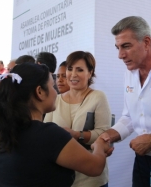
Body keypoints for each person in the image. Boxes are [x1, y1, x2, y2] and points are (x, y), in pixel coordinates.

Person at [0, 63, 112, 187]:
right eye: (52, 86)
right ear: (40, 91)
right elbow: (95, 167)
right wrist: (99, 146)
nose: (55, 91)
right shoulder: (49, 135)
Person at [97, 16, 151, 187]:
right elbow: (129, 117)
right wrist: (107, 136)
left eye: (126, 46)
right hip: (142, 161)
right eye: (118, 48)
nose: (120, 55)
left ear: (147, 42)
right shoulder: (130, 72)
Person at [44, 51, 111, 187]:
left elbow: (104, 133)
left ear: (90, 73)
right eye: (70, 69)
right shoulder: (56, 99)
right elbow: (45, 133)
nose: (73, 74)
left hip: (91, 178)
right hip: (60, 177)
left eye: (79, 70)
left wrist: (77, 135)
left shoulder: (98, 97)